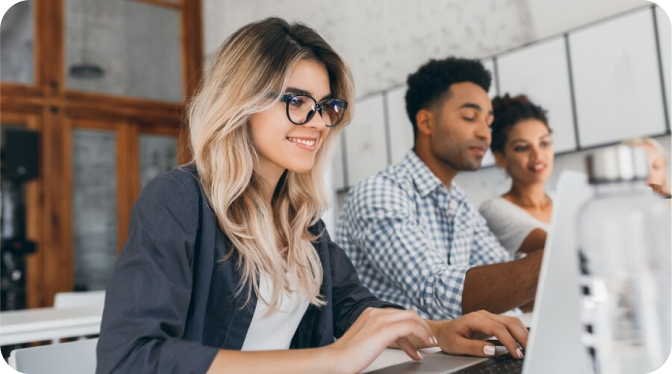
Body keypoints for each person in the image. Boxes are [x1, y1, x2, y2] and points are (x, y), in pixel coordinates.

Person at [95, 18, 527, 374]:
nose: (319, 123)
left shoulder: (300, 218)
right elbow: (130, 358)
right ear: (241, 100)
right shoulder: (178, 200)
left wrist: (440, 331)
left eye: (326, 107)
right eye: (298, 101)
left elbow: (353, 305)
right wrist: (329, 360)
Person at [336, 57, 543, 321]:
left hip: (442, 356)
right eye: (470, 117)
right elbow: (434, 290)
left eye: (489, 122)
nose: (485, 133)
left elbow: (502, 273)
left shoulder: (458, 201)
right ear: (426, 123)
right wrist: (554, 258)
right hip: (389, 359)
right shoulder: (379, 193)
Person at [479, 94, 553, 259]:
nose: (537, 155)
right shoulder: (494, 210)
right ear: (501, 158)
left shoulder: (562, 200)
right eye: (522, 148)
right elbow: (554, 247)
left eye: (544, 143)